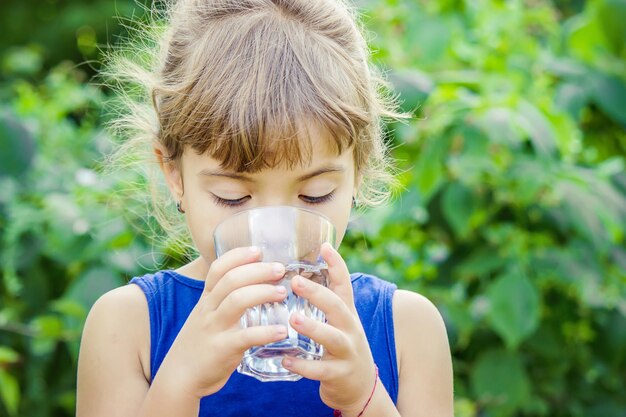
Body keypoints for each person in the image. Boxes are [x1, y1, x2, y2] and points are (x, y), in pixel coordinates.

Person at [76, 0, 454, 416]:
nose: (276, 237)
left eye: (315, 194)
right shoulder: (127, 328)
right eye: (233, 197)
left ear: (357, 172)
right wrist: (179, 385)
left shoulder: (407, 330)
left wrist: (365, 397)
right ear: (175, 174)